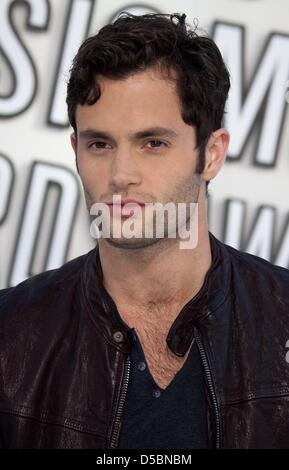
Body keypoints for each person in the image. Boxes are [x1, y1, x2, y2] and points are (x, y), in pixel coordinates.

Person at [1, 12, 289, 450]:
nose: (121, 175)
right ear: (76, 151)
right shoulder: (10, 336)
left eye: (153, 143)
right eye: (100, 144)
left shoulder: (281, 314)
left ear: (211, 154)